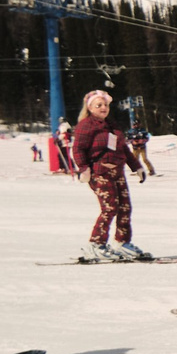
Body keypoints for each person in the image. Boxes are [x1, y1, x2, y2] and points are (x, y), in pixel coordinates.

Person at [70, 88, 149, 261]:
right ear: (90, 108)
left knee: (125, 207)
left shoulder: (112, 125)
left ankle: (122, 243)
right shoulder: (86, 125)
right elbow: (78, 149)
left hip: (117, 172)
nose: (103, 108)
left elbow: (124, 149)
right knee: (110, 207)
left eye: (105, 105)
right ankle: (96, 244)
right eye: (99, 105)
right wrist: (84, 168)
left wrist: (137, 167)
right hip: (100, 172)